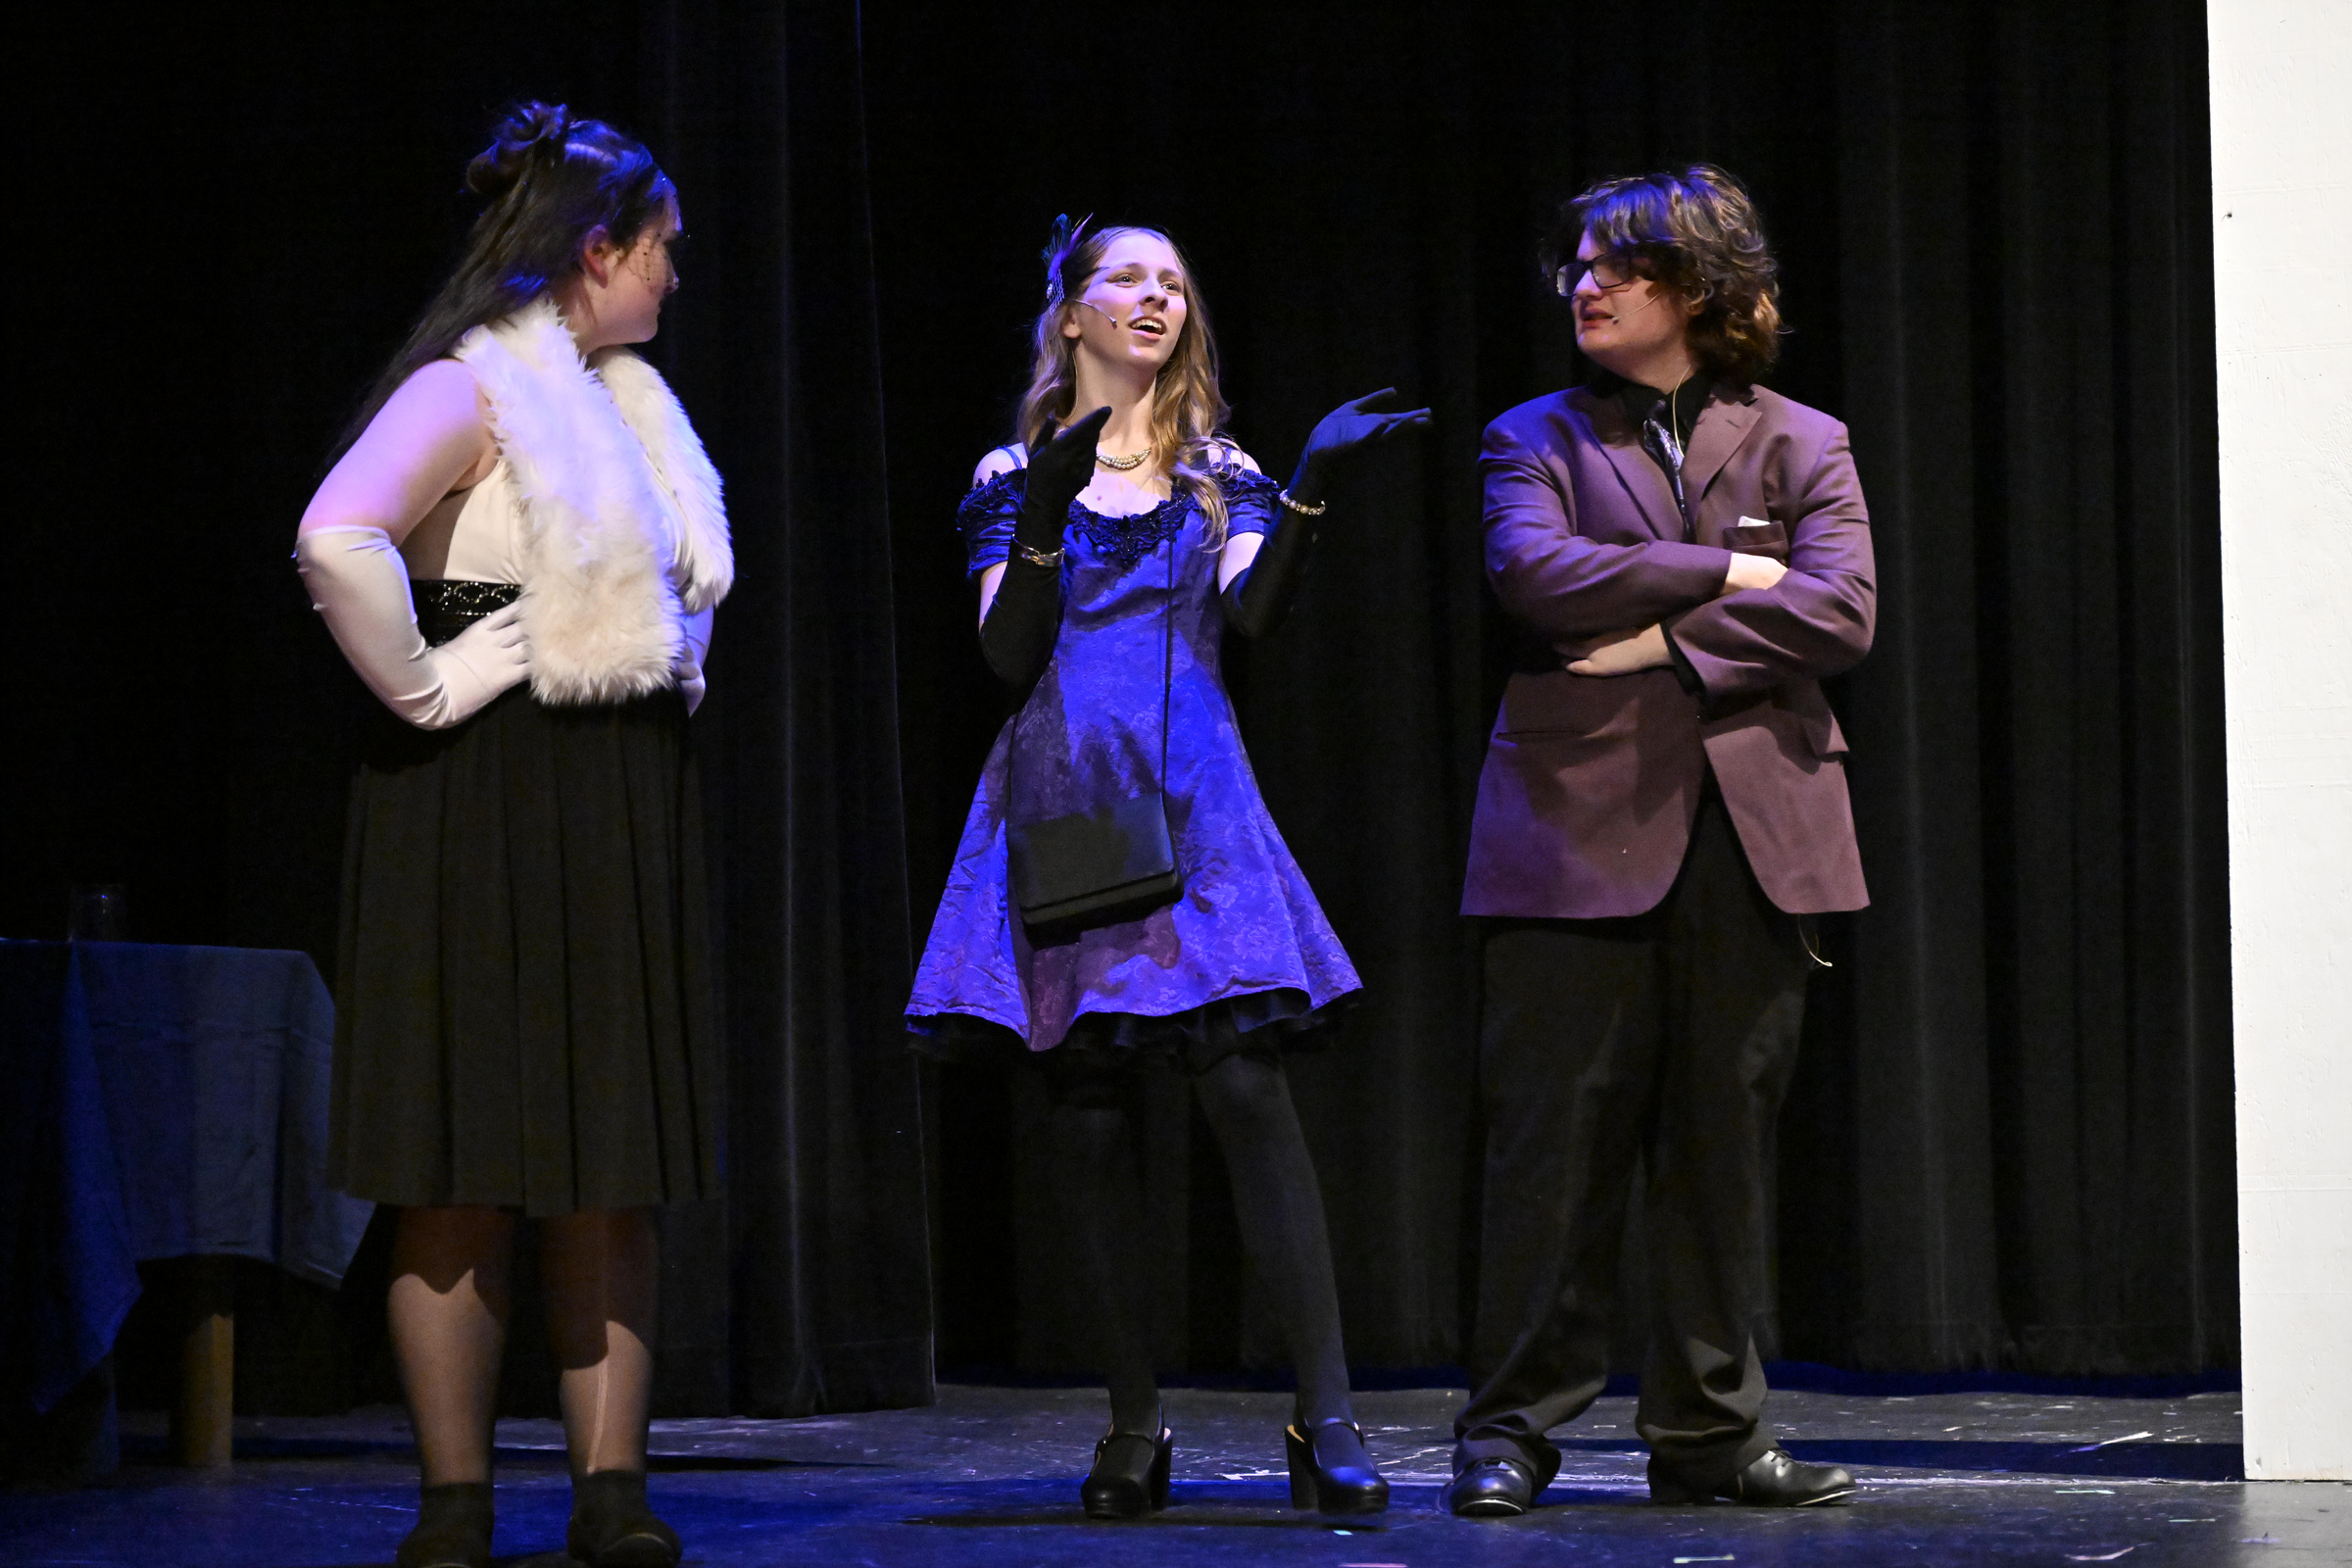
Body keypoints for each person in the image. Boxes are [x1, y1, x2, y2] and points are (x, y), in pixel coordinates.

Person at [906, 218, 1427, 1519]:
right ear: (1071, 313)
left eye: (1175, 284)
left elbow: (1251, 614)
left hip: (1197, 804)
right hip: (1068, 797)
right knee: (1090, 1113)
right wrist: (1039, 508)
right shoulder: (1008, 471)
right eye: (1128, 278)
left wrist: (1301, 483)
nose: (1156, 297)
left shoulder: (1217, 468)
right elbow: (1008, 658)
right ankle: (1134, 1426)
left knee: (1246, 1086)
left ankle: (1328, 1415)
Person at [294, 103, 726, 1568]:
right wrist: (430, 686)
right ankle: (456, 1501)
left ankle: (613, 1493)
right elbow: (336, 532)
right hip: (478, 798)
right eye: (660, 247)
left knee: (611, 1155)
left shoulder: (631, 406)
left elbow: (674, 590)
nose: (677, 272)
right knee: (460, 1156)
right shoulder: (473, 390)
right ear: (593, 251)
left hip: (613, 796)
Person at [1446, 166, 1874, 1517]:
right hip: (1573, 830)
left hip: (1756, 835)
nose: (1585, 284)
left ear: (1695, 286)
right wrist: (1733, 574)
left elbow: (1847, 614)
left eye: (1617, 266)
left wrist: (1661, 641)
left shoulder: (1806, 440)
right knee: (1549, 1149)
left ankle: (1710, 1435)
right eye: (1575, 264)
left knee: (1720, 1147)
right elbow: (1536, 575)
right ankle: (1510, 1429)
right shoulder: (1534, 439)